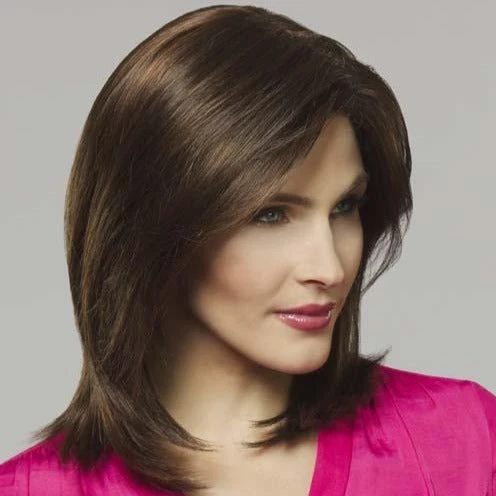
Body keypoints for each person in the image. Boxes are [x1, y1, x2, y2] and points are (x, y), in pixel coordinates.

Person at [1, 4, 494, 496]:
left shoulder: (465, 443)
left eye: (345, 206)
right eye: (271, 214)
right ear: (153, 233)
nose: (329, 268)